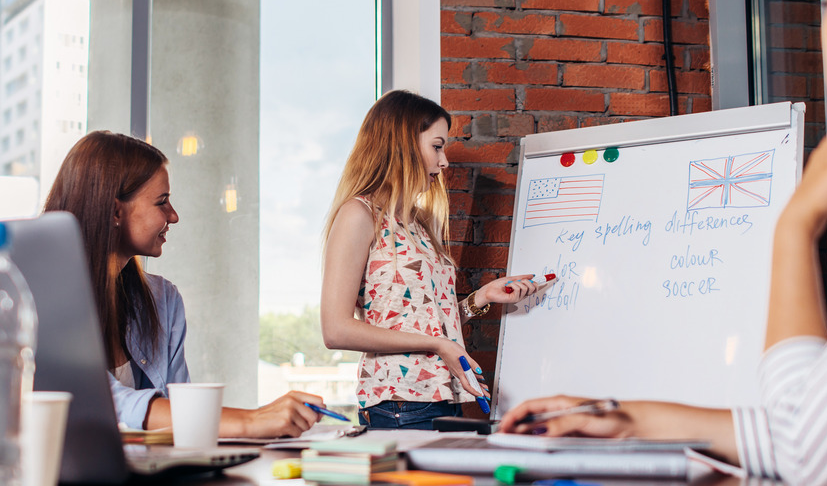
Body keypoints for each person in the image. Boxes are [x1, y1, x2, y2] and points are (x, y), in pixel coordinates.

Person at [500, 0, 827, 483]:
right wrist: (624, 420)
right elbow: (826, 420)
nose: (822, 28)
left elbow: (810, 452)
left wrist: (794, 227)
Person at [45, 131, 325, 437]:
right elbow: (101, 402)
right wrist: (251, 421)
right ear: (115, 211)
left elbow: (181, 416)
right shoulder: (44, 298)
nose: (174, 216)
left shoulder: (163, 299)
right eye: (162, 202)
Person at [320, 90, 539, 429]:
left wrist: (481, 299)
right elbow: (335, 330)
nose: (444, 161)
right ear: (402, 144)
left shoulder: (420, 224)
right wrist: (437, 345)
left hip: (443, 400)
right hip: (398, 406)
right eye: (437, 146)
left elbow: (429, 321)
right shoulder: (359, 215)